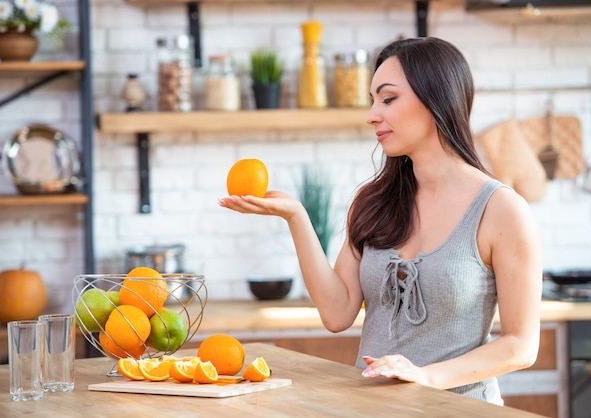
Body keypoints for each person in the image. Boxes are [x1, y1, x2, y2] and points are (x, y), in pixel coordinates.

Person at [218, 37, 542, 405]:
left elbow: (521, 346)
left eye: (388, 99)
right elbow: (337, 314)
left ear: (437, 98)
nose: (373, 114)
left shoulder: (501, 210)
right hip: (374, 408)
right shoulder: (373, 201)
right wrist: (297, 217)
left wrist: (425, 376)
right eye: (373, 101)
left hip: (460, 410)